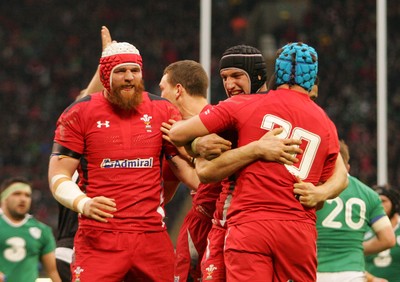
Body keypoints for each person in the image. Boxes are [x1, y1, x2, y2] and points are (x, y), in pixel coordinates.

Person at [168, 42, 340, 281]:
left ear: (271, 74)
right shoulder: (325, 123)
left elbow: (201, 167)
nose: (229, 84)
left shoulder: (242, 107)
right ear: (311, 80)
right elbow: (339, 175)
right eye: (225, 77)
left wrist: (198, 146)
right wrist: (320, 193)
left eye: (236, 75)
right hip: (298, 228)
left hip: (246, 222)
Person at [48, 39, 200, 281]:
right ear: (106, 75)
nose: (129, 77)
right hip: (99, 236)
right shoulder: (79, 113)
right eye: (121, 71)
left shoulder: (163, 110)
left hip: (151, 235)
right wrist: (83, 203)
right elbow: (58, 175)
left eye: (135, 71)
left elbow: (182, 166)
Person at [315, 140, 395, 282]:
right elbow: (388, 239)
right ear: (347, 166)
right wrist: (352, 247)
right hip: (352, 273)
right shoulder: (369, 194)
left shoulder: (312, 190)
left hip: (316, 271)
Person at [0, 177, 61, 282]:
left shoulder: (42, 231)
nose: (23, 199)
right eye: (17, 194)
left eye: (27, 195)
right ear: (3, 198)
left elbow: (52, 271)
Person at [365, 184, 400, 282]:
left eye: (383, 201)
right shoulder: (363, 228)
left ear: (394, 204)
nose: (379, 205)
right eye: (376, 201)